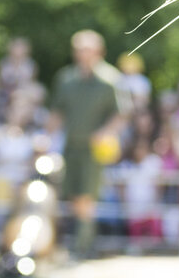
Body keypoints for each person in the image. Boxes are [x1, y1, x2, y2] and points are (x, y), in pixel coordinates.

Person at [47, 30, 125, 258]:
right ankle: (79, 242)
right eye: (79, 49)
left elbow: (121, 115)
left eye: (88, 49)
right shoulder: (66, 78)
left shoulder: (110, 80)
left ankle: (83, 245)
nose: (83, 54)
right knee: (72, 195)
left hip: (95, 149)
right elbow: (57, 112)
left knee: (87, 196)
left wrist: (105, 132)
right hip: (70, 145)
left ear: (100, 51)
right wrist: (45, 137)